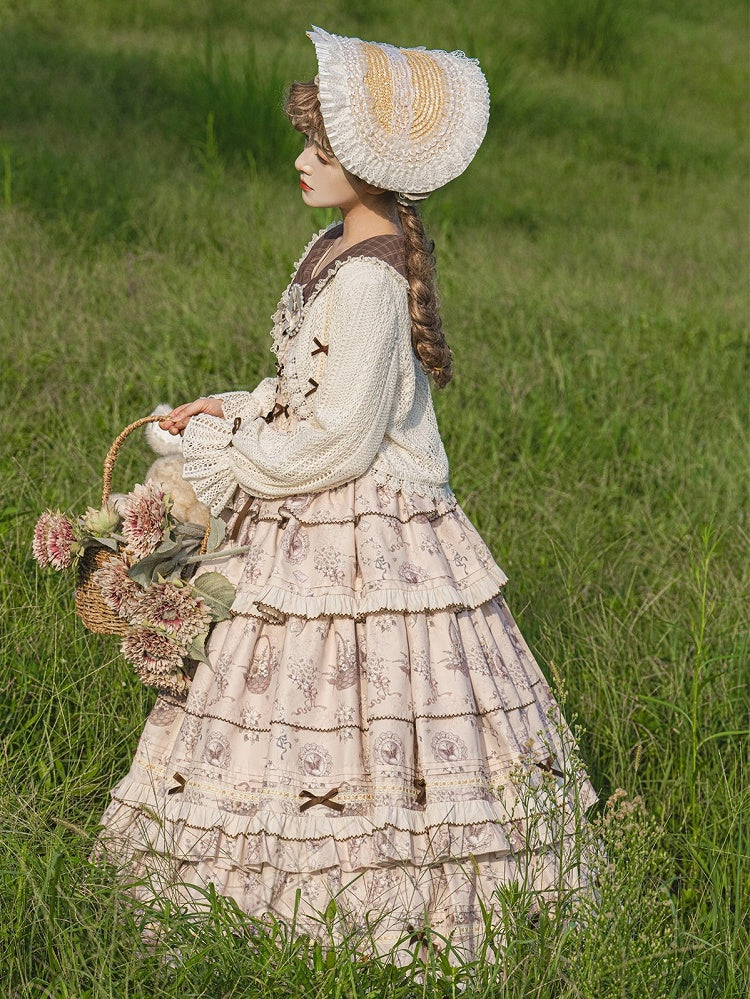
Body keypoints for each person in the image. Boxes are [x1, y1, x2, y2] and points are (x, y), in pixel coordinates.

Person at [96, 26, 597, 960]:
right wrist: (234, 406)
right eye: (307, 145)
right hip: (321, 486)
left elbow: (338, 437)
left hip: (364, 517)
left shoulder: (369, 280)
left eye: (319, 152)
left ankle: (366, 897)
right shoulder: (337, 246)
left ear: (366, 169)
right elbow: (310, 389)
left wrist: (227, 448)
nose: (300, 161)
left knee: (364, 689)